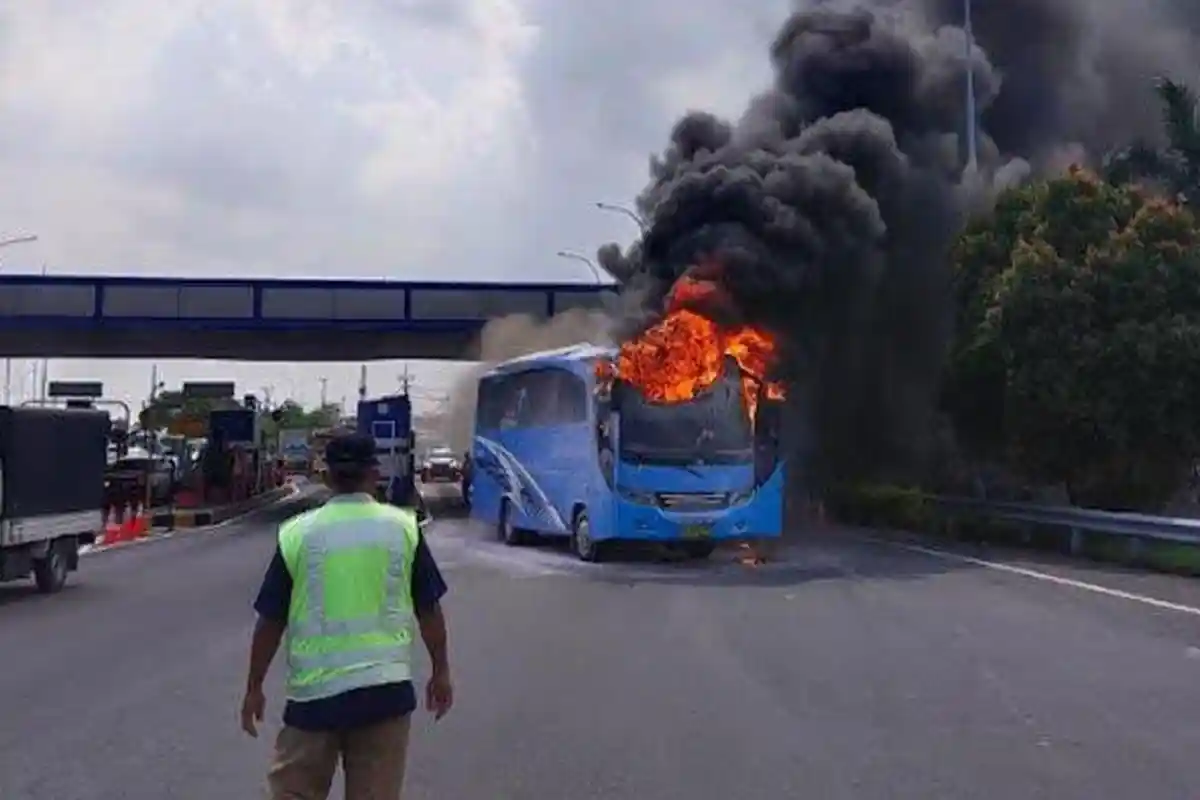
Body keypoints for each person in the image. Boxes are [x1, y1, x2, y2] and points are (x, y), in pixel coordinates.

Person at [240, 431, 453, 800]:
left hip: (314, 699)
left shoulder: (297, 534)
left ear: (326, 476)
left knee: (293, 792)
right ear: (375, 473)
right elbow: (429, 609)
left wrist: (254, 688)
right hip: (384, 695)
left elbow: (270, 620)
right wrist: (441, 672)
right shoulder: (403, 529)